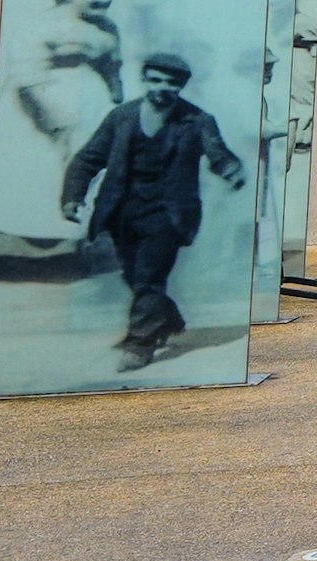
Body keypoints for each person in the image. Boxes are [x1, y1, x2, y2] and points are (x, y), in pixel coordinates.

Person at [60, 49, 247, 369]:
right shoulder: (122, 116)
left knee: (149, 277)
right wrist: (73, 196)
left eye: (171, 83)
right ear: (144, 79)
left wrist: (231, 169)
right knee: (134, 275)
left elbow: (219, 154)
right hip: (122, 211)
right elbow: (89, 157)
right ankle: (167, 319)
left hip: (168, 215)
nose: (162, 87)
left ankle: (140, 343)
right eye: (156, 79)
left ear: (181, 86)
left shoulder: (198, 120)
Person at [0, 0, 123, 254]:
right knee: (43, 165)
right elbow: (26, 76)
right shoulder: (41, 25)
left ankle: (74, 238)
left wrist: (116, 101)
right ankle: (25, 240)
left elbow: (113, 66)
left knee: (85, 163)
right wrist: (52, 116)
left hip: (91, 101)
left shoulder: (107, 27)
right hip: (39, 101)